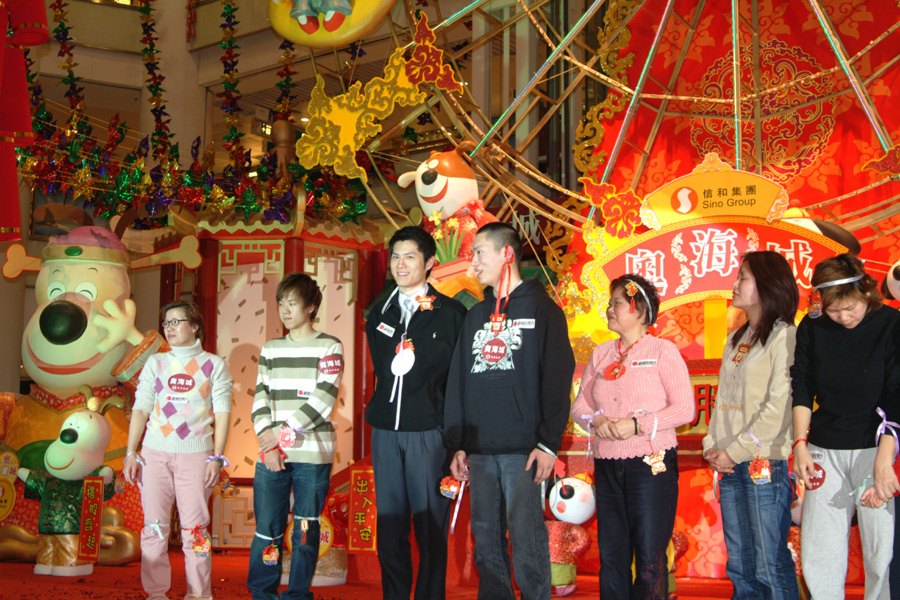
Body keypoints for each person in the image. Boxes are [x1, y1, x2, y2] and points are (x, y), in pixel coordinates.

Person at [444, 221, 576, 600]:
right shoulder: (475, 315)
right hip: (480, 449)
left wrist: (548, 443)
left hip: (525, 450)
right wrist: (458, 443)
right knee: (485, 543)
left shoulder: (543, 310)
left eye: (479, 252)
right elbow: (458, 381)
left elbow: (557, 379)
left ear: (506, 254)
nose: (473, 262)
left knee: (526, 538)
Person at [571, 274, 694, 599]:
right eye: (609, 303)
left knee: (650, 557)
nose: (609, 309)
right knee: (612, 557)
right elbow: (580, 407)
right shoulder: (601, 353)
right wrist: (596, 420)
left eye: (617, 303)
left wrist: (638, 425)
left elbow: (686, 409)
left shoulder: (663, 350)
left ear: (639, 310)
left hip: (651, 465)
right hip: (607, 466)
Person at [365, 225, 467, 600]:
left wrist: (457, 440)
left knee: (429, 527)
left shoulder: (450, 314)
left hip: (429, 432)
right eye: (395, 256)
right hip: (385, 432)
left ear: (430, 263)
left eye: (410, 257)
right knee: (390, 527)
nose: (401, 264)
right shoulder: (379, 312)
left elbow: (458, 383)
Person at [791, 253, 900, 600]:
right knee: (820, 548)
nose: (843, 317)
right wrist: (800, 444)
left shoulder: (891, 324)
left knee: (881, 549)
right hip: (824, 449)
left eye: (850, 307)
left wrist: (884, 460)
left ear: (866, 291)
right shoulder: (813, 326)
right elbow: (802, 385)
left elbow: (896, 393)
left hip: (875, 447)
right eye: (834, 310)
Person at [702, 252, 800, 599]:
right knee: (741, 566)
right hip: (729, 465)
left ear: (767, 284)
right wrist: (712, 446)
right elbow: (721, 401)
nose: (734, 283)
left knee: (769, 565)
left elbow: (780, 407)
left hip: (763, 463)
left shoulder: (785, 336)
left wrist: (735, 451)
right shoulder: (736, 339)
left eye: (743, 277)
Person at [124, 300, 233, 600]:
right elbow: (141, 408)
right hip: (154, 454)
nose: (169, 328)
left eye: (176, 322)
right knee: (154, 528)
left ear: (195, 325)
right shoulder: (156, 363)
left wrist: (217, 457)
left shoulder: (214, 365)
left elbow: (223, 413)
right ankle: (156, 593)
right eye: (166, 323)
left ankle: (199, 594)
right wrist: (131, 452)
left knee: (196, 530)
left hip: (196, 455)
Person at [247, 272, 344, 600]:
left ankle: (298, 594)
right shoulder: (271, 349)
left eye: (292, 303)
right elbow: (260, 398)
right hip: (272, 455)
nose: (285, 310)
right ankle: (262, 592)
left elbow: (322, 400)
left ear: (311, 306)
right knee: (267, 531)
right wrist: (268, 442)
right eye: (281, 303)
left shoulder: (330, 346)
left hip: (312, 455)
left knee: (305, 526)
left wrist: (279, 435)